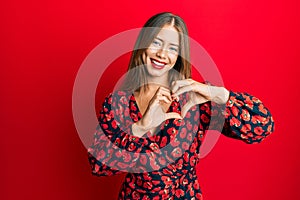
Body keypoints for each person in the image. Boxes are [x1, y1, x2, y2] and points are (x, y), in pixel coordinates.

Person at [87, 12, 274, 200]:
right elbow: (99, 166)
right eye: (156, 43)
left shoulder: (193, 98)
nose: (162, 54)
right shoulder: (118, 103)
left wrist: (217, 93)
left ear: (179, 55)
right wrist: (140, 127)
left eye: (172, 48)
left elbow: (262, 126)